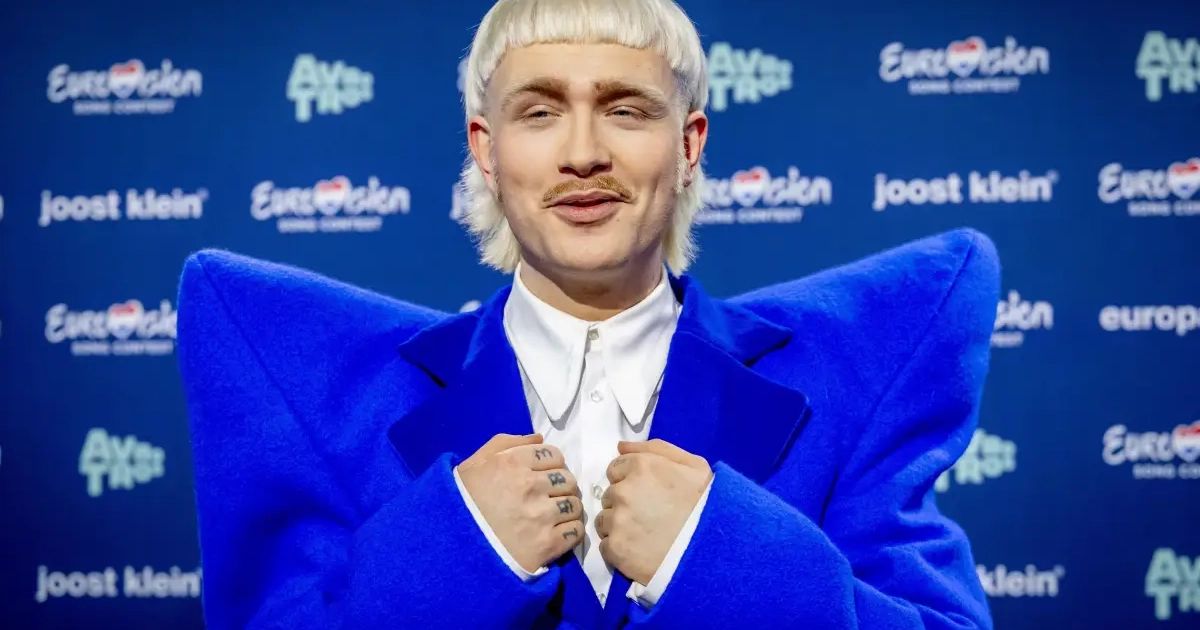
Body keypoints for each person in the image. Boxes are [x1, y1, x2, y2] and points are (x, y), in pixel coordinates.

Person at [176, 0, 999, 628]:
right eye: (539, 112)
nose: (582, 154)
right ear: (486, 151)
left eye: (625, 109)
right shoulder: (336, 401)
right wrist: (461, 549)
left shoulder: (848, 386)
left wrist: (711, 550)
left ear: (688, 146)